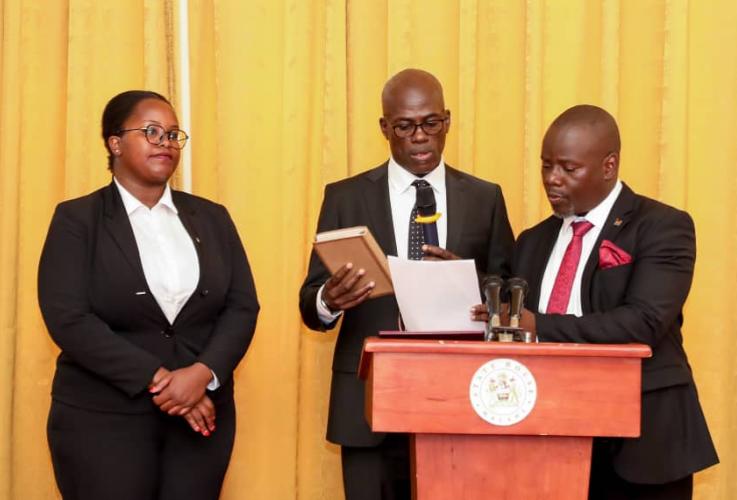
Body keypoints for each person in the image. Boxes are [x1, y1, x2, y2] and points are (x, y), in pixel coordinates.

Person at [473, 104, 718, 499]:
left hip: (642, 446)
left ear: (609, 166)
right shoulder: (533, 241)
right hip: (548, 436)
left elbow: (642, 324)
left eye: (569, 169)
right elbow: (513, 325)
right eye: (546, 166)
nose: (553, 180)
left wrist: (539, 325)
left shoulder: (662, 226)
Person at [299, 68, 515, 500]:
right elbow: (311, 303)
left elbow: (510, 292)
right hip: (367, 402)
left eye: (431, 123)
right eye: (405, 125)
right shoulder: (345, 197)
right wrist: (330, 299)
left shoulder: (483, 197)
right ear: (385, 128)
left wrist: (469, 283)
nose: (420, 136)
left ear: (447, 122)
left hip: (459, 398)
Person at [38, 90, 260, 500]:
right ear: (115, 143)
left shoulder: (212, 217)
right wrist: (161, 381)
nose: (166, 143)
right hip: (102, 421)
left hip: (200, 421)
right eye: (152, 132)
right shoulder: (77, 219)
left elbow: (241, 306)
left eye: (174, 135)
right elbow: (67, 317)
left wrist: (201, 375)